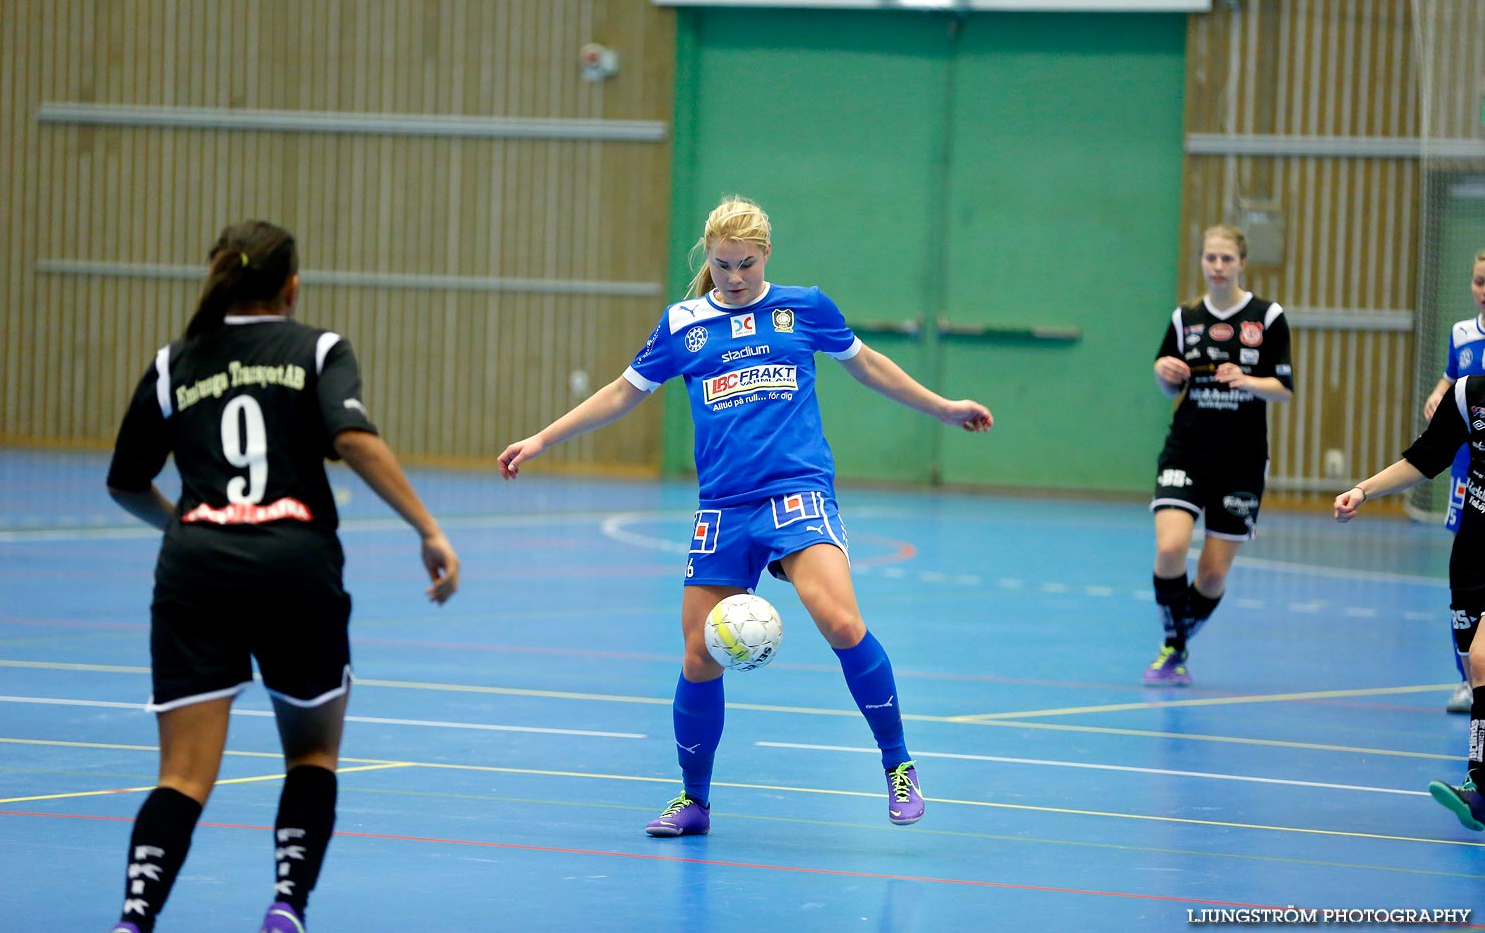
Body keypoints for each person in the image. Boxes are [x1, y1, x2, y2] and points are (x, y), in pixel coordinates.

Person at [497, 195, 991, 836]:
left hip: (796, 492)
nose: (735, 278)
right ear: (709, 257)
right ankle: (693, 800)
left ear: (766, 257)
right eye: (724, 265)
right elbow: (622, 392)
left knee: (841, 622)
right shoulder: (683, 324)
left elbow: (867, 365)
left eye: (747, 265)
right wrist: (542, 439)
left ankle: (898, 767)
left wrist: (942, 406)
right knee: (700, 657)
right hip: (723, 507)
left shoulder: (803, 308)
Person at [104, 221, 460, 933]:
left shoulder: (176, 362)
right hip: (294, 566)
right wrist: (428, 527)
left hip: (196, 570)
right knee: (312, 752)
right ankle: (286, 905)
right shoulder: (317, 350)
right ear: (291, 287)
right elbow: (353, 438)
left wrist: (188, 526)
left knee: (182, 775)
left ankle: (134, 917)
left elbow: (126, 483)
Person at [1334, 370, 1485, 831]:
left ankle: (1479, 789)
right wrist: (1362, 490)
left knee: (1481, 659)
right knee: (1471, 661)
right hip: (1475, 551)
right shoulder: (1469, 394)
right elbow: (1426, 457)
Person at [1143, 224, 1294, 685]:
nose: (1218, 267)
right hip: (1186, 448)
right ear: (1202, 261)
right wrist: (1164, 372)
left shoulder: (1267, 317)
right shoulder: (1184, 319)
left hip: (1241, 460)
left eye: (1227, 258)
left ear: (1242, 263)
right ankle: (1174, 646)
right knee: (1170, 548)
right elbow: (1166, 381)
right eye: (1211, 258)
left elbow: (1283, 389)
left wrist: (1247, 380)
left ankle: (1177, 644)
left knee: (1210, 575)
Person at [1421, 250, 1485, 713]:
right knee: (1464, 565)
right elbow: (1450, 383)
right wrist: (1436, 397)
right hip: (1467, 463)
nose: (1484, 291)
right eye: (1480, 281)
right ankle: (1466, 676)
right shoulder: (1462, 333)